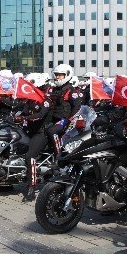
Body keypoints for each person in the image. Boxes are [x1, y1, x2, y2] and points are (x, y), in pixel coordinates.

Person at [20, 64, 82, 201]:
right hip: (46, 126)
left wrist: (68, 120)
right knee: (30, 155)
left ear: (67, 75)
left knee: (51, 131)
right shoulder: (50, 91)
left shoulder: (72, 91)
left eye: (61, 75)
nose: (58, 77)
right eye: (57, 74)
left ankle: (58, 156)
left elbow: (77, 107)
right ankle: (31, 185)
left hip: (63, 124)